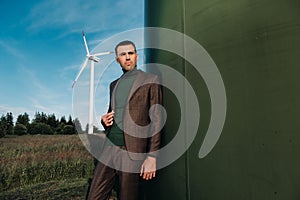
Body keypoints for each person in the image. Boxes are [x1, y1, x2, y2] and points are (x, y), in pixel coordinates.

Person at [87, 40, 163, 200]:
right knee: (94, 196)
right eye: (123, 54)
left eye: (130, 53)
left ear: (136, 56)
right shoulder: (113, 85)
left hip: (132, 150)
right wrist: (104, 121)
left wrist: (152, 157)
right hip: (109, 147)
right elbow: (112, 112)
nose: (127, 57)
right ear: (117, 59)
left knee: (127, 196)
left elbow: (157, 119)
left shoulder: (151, 79)